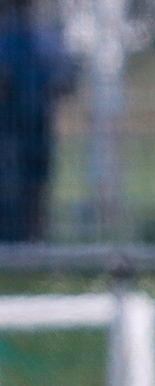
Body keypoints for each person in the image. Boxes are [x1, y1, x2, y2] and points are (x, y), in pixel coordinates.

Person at [0, 0, 73, 243]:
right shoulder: (10, 38)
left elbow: (66, 79)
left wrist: (47, 86)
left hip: (35, 123)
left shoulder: (43, 38)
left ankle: (34, 238)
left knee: (36, 180)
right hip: (9, 124)